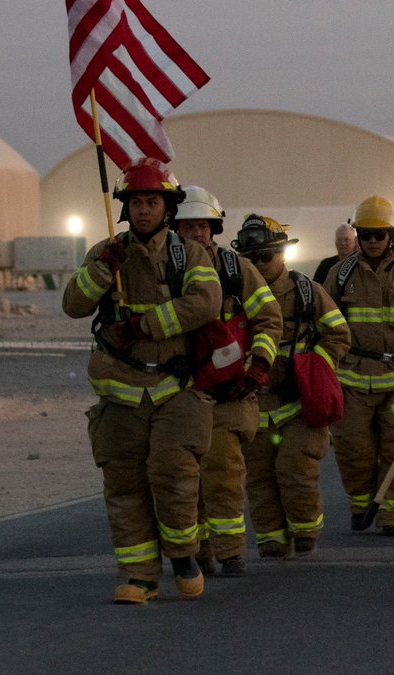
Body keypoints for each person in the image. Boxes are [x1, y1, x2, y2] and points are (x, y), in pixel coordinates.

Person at [62, 159, 222, 604]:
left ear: (168, 208)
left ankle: (183, 553)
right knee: (124, 484)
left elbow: (206, 302)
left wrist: (148, 325)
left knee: (174, 476)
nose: (144, 209)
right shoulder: (105, 252)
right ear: (125, 208)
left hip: (177, 389)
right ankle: (140, 576)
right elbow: (73, 305)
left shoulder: (187, 254)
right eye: (136, 202)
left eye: (152, 201)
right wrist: (100, 271)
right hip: (119, 392)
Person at [171, 186, 283, 577]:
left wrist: (258, 367)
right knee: (185, 484)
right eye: (187, 226)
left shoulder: (236, 270)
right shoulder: (163, 271)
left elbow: (269, 318)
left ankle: (230, 551)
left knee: (224, 477)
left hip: (227, 397)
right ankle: (196, 553)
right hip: (178, 396)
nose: (197, 234)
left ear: (215, 228)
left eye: (203, 225)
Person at [235, 214, 351, 559]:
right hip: (252, 402)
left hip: (298, 404)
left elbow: (338, 335)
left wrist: (310, 372)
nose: (257, 265)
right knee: (258, 477)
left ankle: (304, 529)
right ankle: (271, 538)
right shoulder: (233, 296)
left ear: (282, 254)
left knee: (295, 468)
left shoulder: (307, 292)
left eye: (264, 257)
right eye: (249, 259)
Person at [324, 195, 394, 536]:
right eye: (365, 235)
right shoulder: (340, 274)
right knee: (354, 451)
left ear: (391, 235)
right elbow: (326, 324)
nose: (372, 241)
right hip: (354, 380)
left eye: (379, 235)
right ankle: (362, 502)